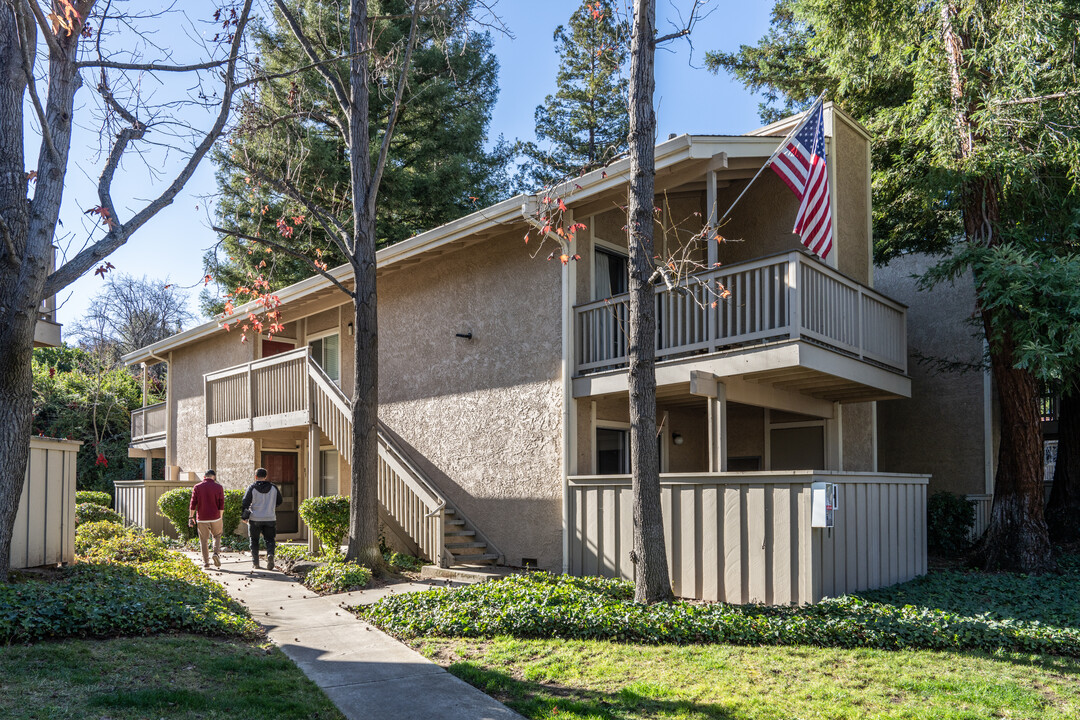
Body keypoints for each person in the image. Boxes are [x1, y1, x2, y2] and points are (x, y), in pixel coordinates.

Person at [241, 467, 282, 570]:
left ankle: (256, 563)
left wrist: (244, 516)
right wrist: (271, 507)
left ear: (256, 477)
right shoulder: (273, 487)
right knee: (270, 539)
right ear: (266, 476)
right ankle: (270, 555)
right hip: (270, 517)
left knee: (254, 540)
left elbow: (245, 502)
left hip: (255, 518)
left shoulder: (252, 487)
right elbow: (280, 501)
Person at [188, 469, 225, 569]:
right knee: (217, 536)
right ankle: (216, 554)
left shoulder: (197, 487)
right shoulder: (219, 487)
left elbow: (193, 503)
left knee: (203, 540)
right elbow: (221, 504)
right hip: (215, 517)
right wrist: (220, 517)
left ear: (204, 477)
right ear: (214, 477)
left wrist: (191, 517)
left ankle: (206, 563)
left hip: (202, 518)